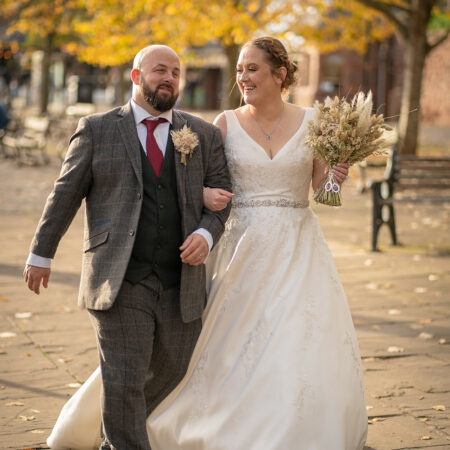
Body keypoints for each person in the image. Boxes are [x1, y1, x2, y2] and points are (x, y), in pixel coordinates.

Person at [46, 37, 368, 449]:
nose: (243, 78)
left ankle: (287, 426)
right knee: (221, 344)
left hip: (297, 249)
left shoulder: (313, 122)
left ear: (280, 74)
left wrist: (335, 179)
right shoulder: (223, 124)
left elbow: (322, 192)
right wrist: (201, 197)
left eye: (252, 69)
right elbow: (184, 182)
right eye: (239, 69)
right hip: (237, 248)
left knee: (295, 340)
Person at [23, 45, 231, 450]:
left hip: (181, 279)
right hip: (119, 276)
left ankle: (115, 433)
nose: (168, 78)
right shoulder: (97, 129)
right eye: (159, 70)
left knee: (174, 367)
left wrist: (206, 234)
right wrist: (40, 253)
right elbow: (64, 194)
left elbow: (224, 195)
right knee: (124, 375)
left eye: (175, 71)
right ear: (137, 77)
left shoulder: (201, 134)